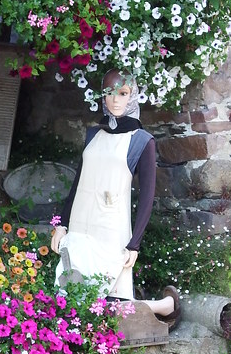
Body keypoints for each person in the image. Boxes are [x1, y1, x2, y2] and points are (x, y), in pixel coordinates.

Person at [50, 68, 179, 324]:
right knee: (68, 295)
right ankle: (163, 306)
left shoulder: (141, 141)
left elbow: (147, 196)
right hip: (80, 227)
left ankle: (165, 306)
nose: (115, 100)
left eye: (123, 93)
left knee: (100, 301)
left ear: (132, 96)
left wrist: (134, 244)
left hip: (110, 230)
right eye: (109, 93)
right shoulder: (93, 135)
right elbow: (78, 183)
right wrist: (62, 225)